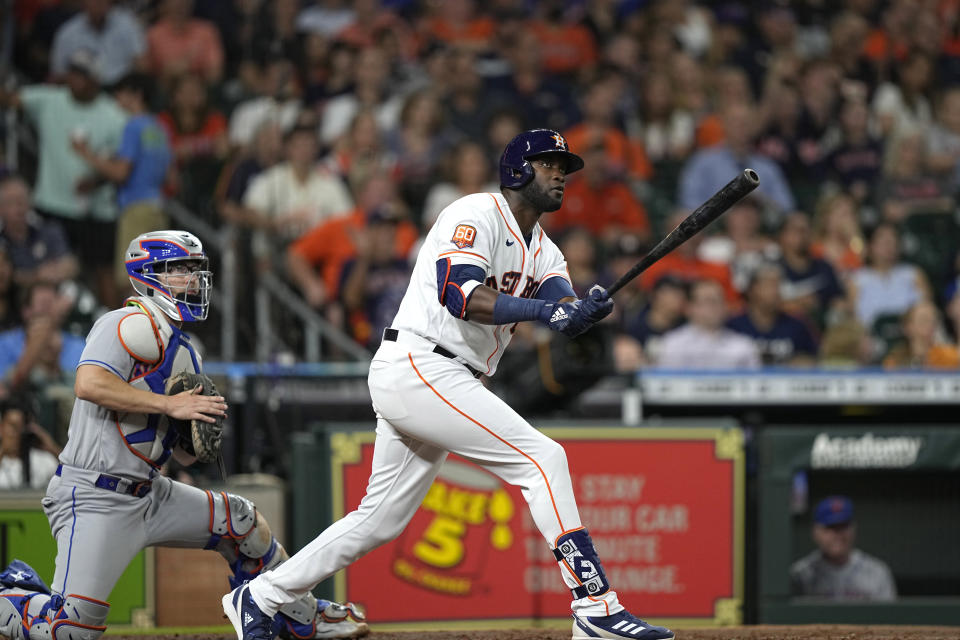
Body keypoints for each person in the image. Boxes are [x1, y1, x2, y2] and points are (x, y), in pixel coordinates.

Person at [223, 129, 674, 640]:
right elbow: (462, 294)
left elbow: (557, 298)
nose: (559, 174)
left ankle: (262, 597)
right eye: (548, 163)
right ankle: (596, 607)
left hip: (443, 375)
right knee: (542, 459)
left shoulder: (544, 249)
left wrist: (579, 311)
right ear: (517, 169)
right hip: (420, 362)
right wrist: (553, 309)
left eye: (564, 167)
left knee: (380, 519)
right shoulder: (474, 213)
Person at [0, 231, 367, 640]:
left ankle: (301, 615)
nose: (192, 278)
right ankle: (11, 593)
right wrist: (171, 406)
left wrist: (197, 431)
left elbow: (187, 460)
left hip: (151, 493)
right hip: (94, 494)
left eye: (194, 269)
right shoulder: (126, 322)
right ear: (149, 273)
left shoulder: (187, 350)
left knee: (242, 521)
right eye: (180, 269)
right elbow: (87, 383)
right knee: (67, 630)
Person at [70, 73, 173, 294]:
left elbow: (121, 173)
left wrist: (85, 154)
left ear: (136, 95)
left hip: (135, 209)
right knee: (153, 279)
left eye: (121, 93)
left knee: (131, 281)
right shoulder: (159, 128)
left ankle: (134, 328)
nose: (117, 98)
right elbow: (169, 176)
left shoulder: (133, 126)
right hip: (158, 208)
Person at [790, 495, 897, 601]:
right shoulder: (801, 574)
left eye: (843, 527)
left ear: (853, 529)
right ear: (816, 532)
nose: (837, 535)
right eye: (830, 528)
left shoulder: (877, 572)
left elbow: (889, 616)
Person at [654, 279, 760, 370]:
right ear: (690, 307)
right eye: (708, 301)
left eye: (719, 301)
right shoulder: (673, 343)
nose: (714, 307)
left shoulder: (743, 346)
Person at [0, 399, 61, 491]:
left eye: (21, 427)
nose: (16, 433)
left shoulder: (42, 460)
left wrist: (52, 447)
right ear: (1, 427)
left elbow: (67, 476)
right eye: (13, 426)